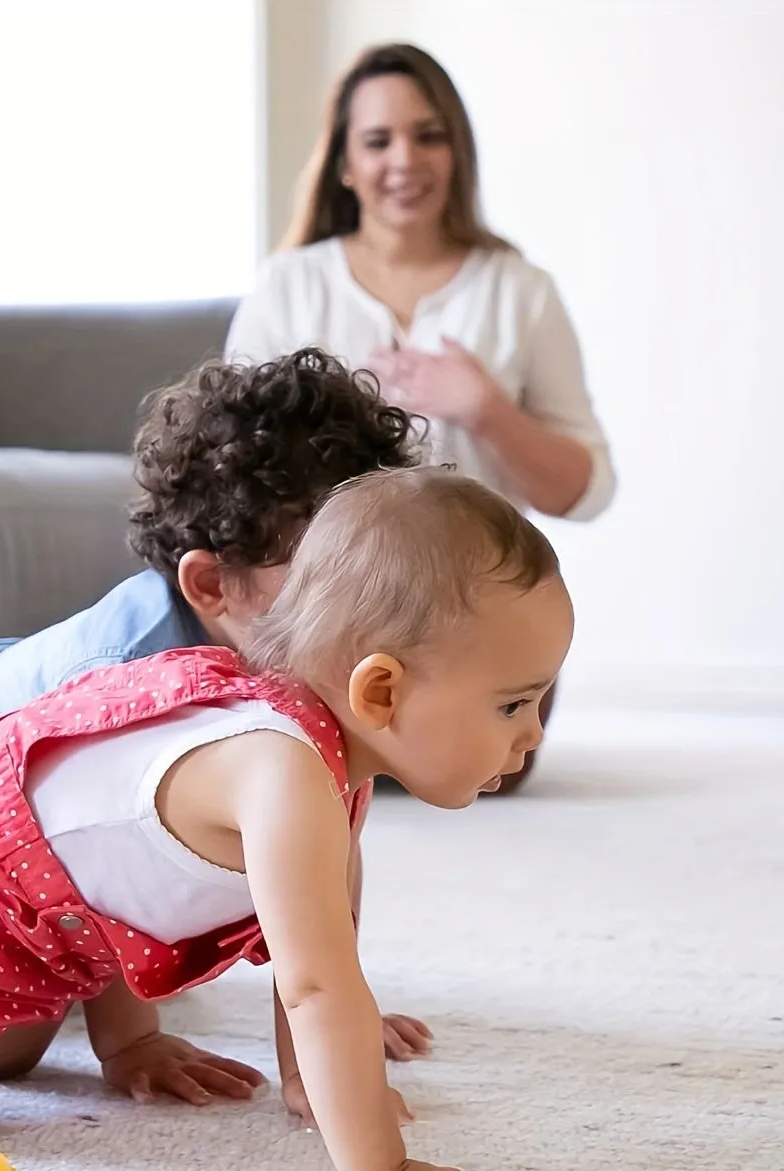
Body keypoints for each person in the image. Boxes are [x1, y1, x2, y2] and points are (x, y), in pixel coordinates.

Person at [0, 469, 568, 1171]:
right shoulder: (279, 769)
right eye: (512, 703)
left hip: (59, 909)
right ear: (378, 693)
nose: (534, 733)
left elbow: (153, 881)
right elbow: (316, 990)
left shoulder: (337, 773)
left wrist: (270, 1072)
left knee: (4, 1058)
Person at [0, 351, 434, 1080]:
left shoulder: (299, 666)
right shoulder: (130, 684)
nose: (370, 601)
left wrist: (333, 1013)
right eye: (333, 577)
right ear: (210, 584)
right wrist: (128, 1042)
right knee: (0, 1048)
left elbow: (321, 851)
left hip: (37, 832)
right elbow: (92, 861)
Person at [226, 42, 614, 790]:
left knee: (483, 766)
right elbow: (239, 471)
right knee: (297, 761)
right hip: (323, 609)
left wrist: (487, 409)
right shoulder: (289, 287)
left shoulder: (520, 291)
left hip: (476, 617)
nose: (405, 159)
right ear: (344, 161)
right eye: (378, 140)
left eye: (428, 134)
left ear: (457, 151)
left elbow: (585, 490)